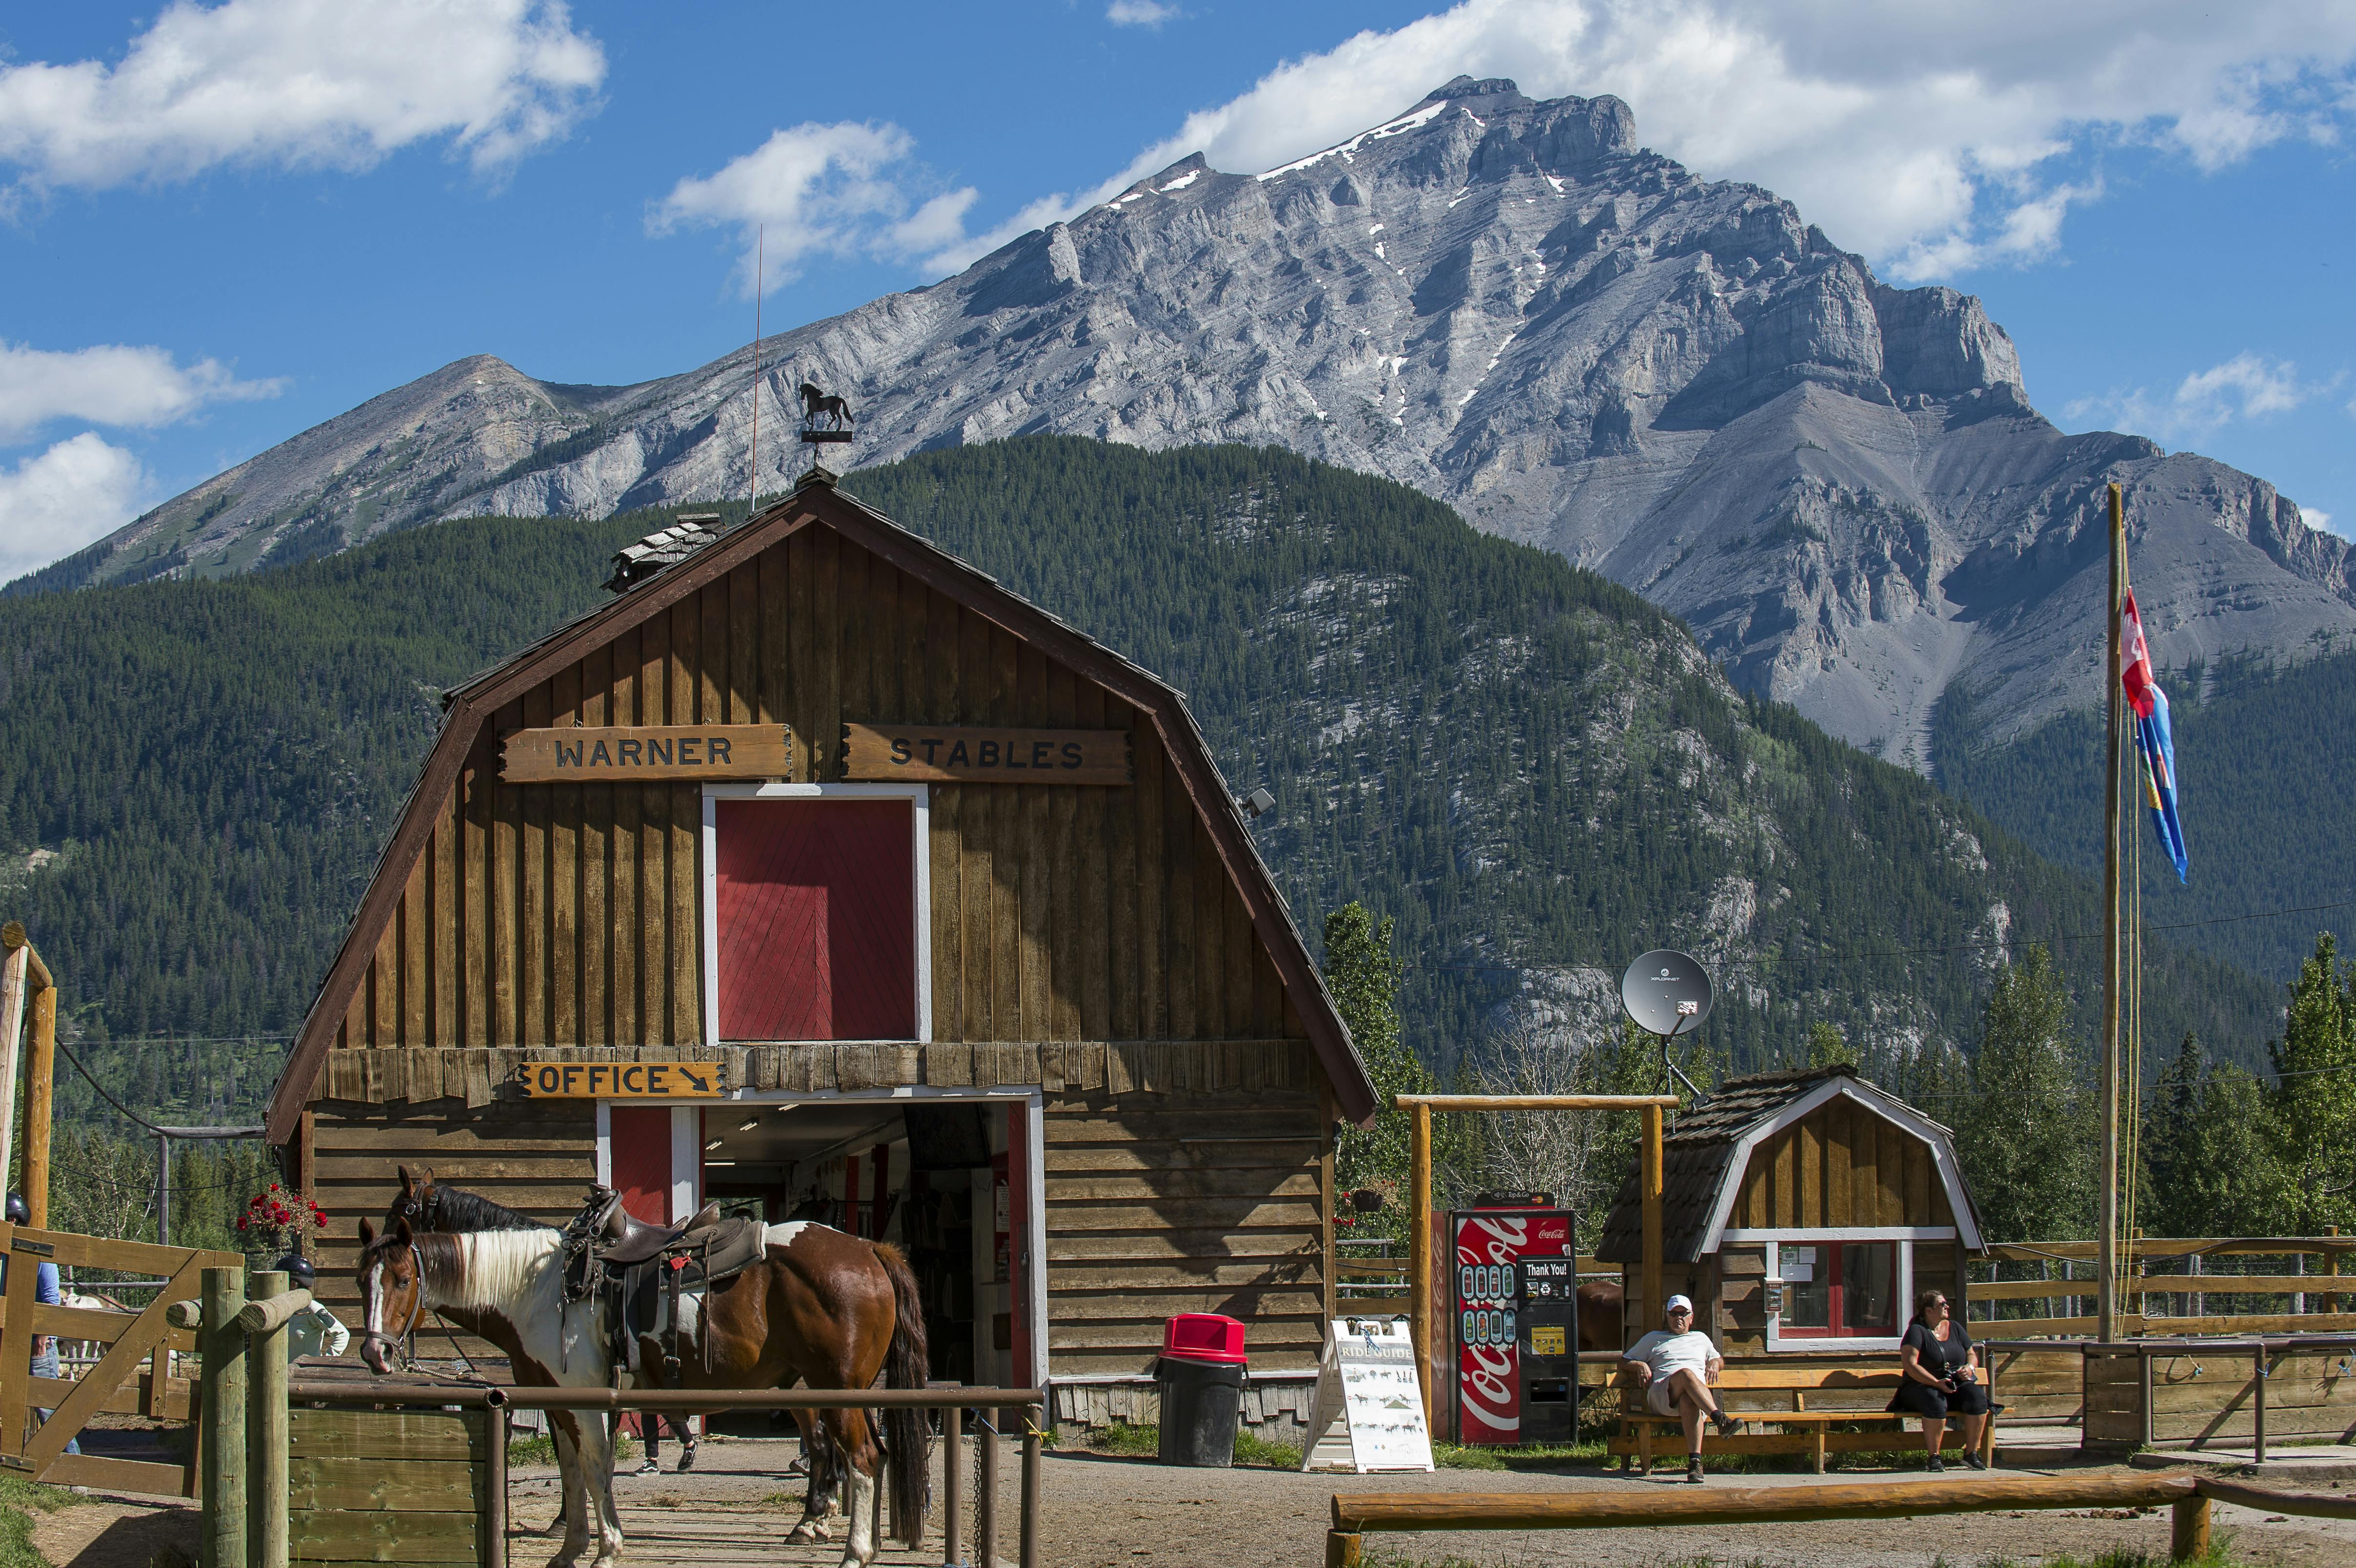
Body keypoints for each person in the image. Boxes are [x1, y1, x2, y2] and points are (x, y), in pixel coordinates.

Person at [1620, 1293, 1743, 1483]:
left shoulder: (1701, 1339)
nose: (1678, 1318)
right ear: (1667, 1317)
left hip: (1693, 1400)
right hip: (1663, 1395)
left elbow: (1719, 1359)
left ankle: (1695, 1464)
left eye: (1683, 1314)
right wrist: (1639, 1365)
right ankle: (1719, 1418)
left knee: (1689, 1399)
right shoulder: (1654, 1338)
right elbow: (1624, 1361)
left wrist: (1716, 1363)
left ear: (1691, 1317)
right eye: (1674, 1314)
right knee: (1686, 1373)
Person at [4, 1193, 78, 1455]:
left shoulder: (40, 1254)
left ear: (15, 1220)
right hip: (10, 1340)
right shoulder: (3, 1256)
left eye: (10, 1219)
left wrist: (43, 1338)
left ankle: (73, 1465)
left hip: (37, 1342)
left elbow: (50, 1300)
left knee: (47, 1407)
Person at [1890, 1288, 1993, 1470]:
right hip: (1921, 1386)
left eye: (1946, 1303)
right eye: (1942, 1304)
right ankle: (1934, 1457)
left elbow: (1971, 1354)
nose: (1947, 1306)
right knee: (1935, 1401)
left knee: (1977, 1399)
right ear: (1929, 1311)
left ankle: (1971, 1454)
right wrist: (1936, 1383)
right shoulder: (1916, 1332)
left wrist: (1968, 1369)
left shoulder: (1955, 1327)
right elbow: (1910, 1365)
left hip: (1954, 1383)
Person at [271, 1255, 350, 1362]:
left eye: (280, 1281)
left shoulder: (312, 1308)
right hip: (281, 1374)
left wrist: (326, 1361)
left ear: (293, 1285)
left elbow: (342, 1334)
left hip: (303, 1374)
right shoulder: (280, 1307)